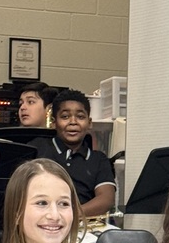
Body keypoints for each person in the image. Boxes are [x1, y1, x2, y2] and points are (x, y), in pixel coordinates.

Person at [29, 89, 115, 218]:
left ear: (89, 123)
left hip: (82, 223)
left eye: (80, 117)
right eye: (65, 117)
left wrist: (69, 216)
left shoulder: (98, 159)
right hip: (41, 220)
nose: (73, 122)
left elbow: (106, 199)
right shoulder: (37, 148)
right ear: (53, 123)